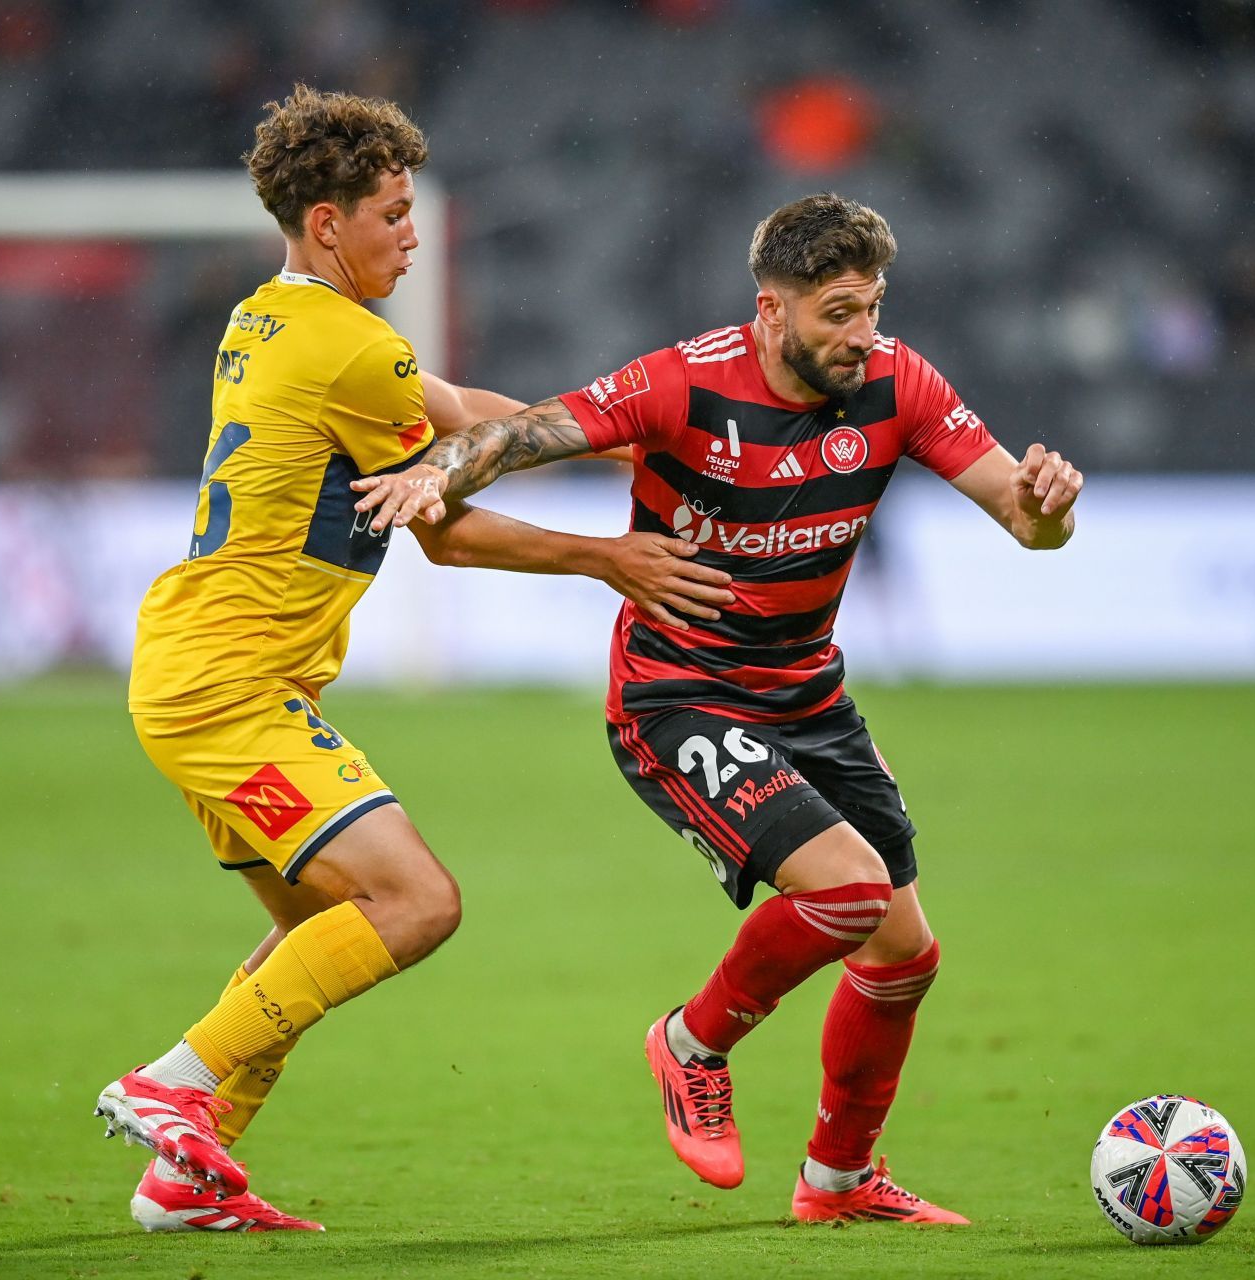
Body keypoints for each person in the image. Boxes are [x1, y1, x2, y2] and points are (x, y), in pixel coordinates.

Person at [353, 193, 1083, 1224]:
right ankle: (690, 1042)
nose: (861, 334)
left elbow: (1023, 515)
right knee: (848, 895)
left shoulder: (898, 380)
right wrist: (432, 474)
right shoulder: (684, 382)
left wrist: (1049, 510)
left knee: (903, 955)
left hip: (808, 694)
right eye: (837, 312)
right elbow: (522, 433)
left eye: (871, 307)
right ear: (770, 311)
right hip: (677, 695)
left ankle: (837, 1182)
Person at [91, 85, 732, 1234]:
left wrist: (609, 426)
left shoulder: (273, 316)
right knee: (415, 900)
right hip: (230, 685)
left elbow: (457, 415)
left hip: (201, 666)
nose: (413, 233)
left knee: (312, 932)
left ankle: (186, 1175)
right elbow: (450, 530)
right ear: (327, 224)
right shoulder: (352, 349)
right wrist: (611, 558)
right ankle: (171, 1084)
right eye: (391, 212)